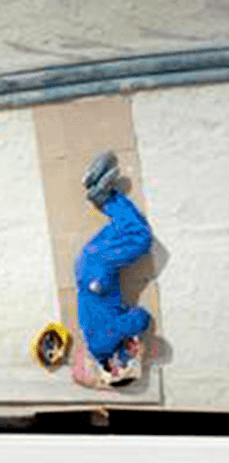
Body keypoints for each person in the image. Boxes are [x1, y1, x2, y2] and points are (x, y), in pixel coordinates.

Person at [71, 151, 152, 388]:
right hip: (89, 266)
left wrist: (130, 347)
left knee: (139, 237)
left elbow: (140, 318)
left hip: (98, 273)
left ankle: (103, 196)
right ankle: (99, 187)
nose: (133, 357)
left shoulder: (102, 347)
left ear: (114, 368)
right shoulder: (100, 344)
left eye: (127, 363)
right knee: (124, 229)